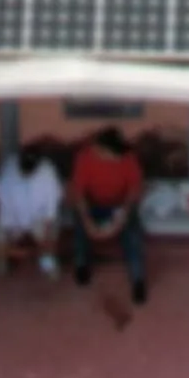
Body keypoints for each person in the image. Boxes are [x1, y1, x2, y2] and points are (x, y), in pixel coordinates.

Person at [61, 123, 148, 310]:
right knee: (79, 230)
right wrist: (88, 222)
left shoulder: (128, 159)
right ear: (100, 149)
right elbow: (79, 193)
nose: (116, 159)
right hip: (92, 204)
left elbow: (134, 189)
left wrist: (123, 214)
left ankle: (138, 280)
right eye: (112, 156)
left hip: (119, 204)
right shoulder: (84, 158)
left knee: (133, 235)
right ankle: (82, 265)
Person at [0, 138, 63, 274]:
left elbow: (51, 208)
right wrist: (10, 246)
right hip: (13, 215)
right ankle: (3, 265)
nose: (25, 174)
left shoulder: (48, 172)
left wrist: (45, 241)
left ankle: (48, 262)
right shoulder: (8, 171)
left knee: (51, 233)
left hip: (38, 216)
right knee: (0, 236)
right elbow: (3, 204)